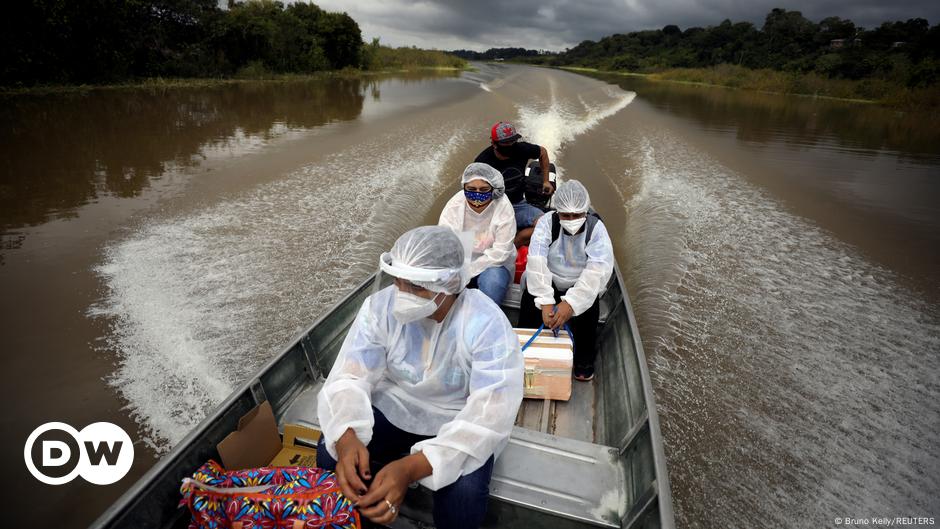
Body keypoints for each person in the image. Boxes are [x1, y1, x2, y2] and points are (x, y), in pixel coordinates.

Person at [316, 226, 524, 529]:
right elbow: (350, 377)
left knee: (464, 499)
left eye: (418, 287)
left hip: (456, 419)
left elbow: (489, 415)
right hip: (395, 406)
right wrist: (347, 439)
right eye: (399, 282)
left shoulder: (485, 323)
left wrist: (410, 468)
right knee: (330, 452)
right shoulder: (380, 308)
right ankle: (363, 519)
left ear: (450, 283)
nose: (403, 295)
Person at [518, 180, 614, 382]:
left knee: (589, 309)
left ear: (585, 212)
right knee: (529, 302)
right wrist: (545, 302)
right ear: (557, 212)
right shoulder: (547, 222)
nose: (571, 219)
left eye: (577, 215)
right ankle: (523, 351)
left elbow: (597, 271)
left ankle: (583, 360)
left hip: (580, 282)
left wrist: (570, 304)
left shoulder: (596, 229)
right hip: (549, 277)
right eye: (566, 215)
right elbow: (536, 261)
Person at [438, 163, 516, 306]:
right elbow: (446, 244)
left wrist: (468, 272)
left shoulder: (503, 207)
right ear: (464, 188)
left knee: (493, 283)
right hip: (461, 260)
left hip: (494, 264)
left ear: (494, 190)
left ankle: (486, 319)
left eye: (484, 190)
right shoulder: (454, 206)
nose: (477, 195)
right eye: (472, 189)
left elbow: (500, 253)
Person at [474, 121, 553, 245]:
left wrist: (546, 181)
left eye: (513, 141)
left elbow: (542, 152)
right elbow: (473, 191)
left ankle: (515, 243)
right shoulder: (482, 163)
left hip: (517, 204)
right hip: (493, 208)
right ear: (494, 144)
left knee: (545, 224)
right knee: (481, 240)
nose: (511, 145)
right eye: (506, 143)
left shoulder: (522, 149)